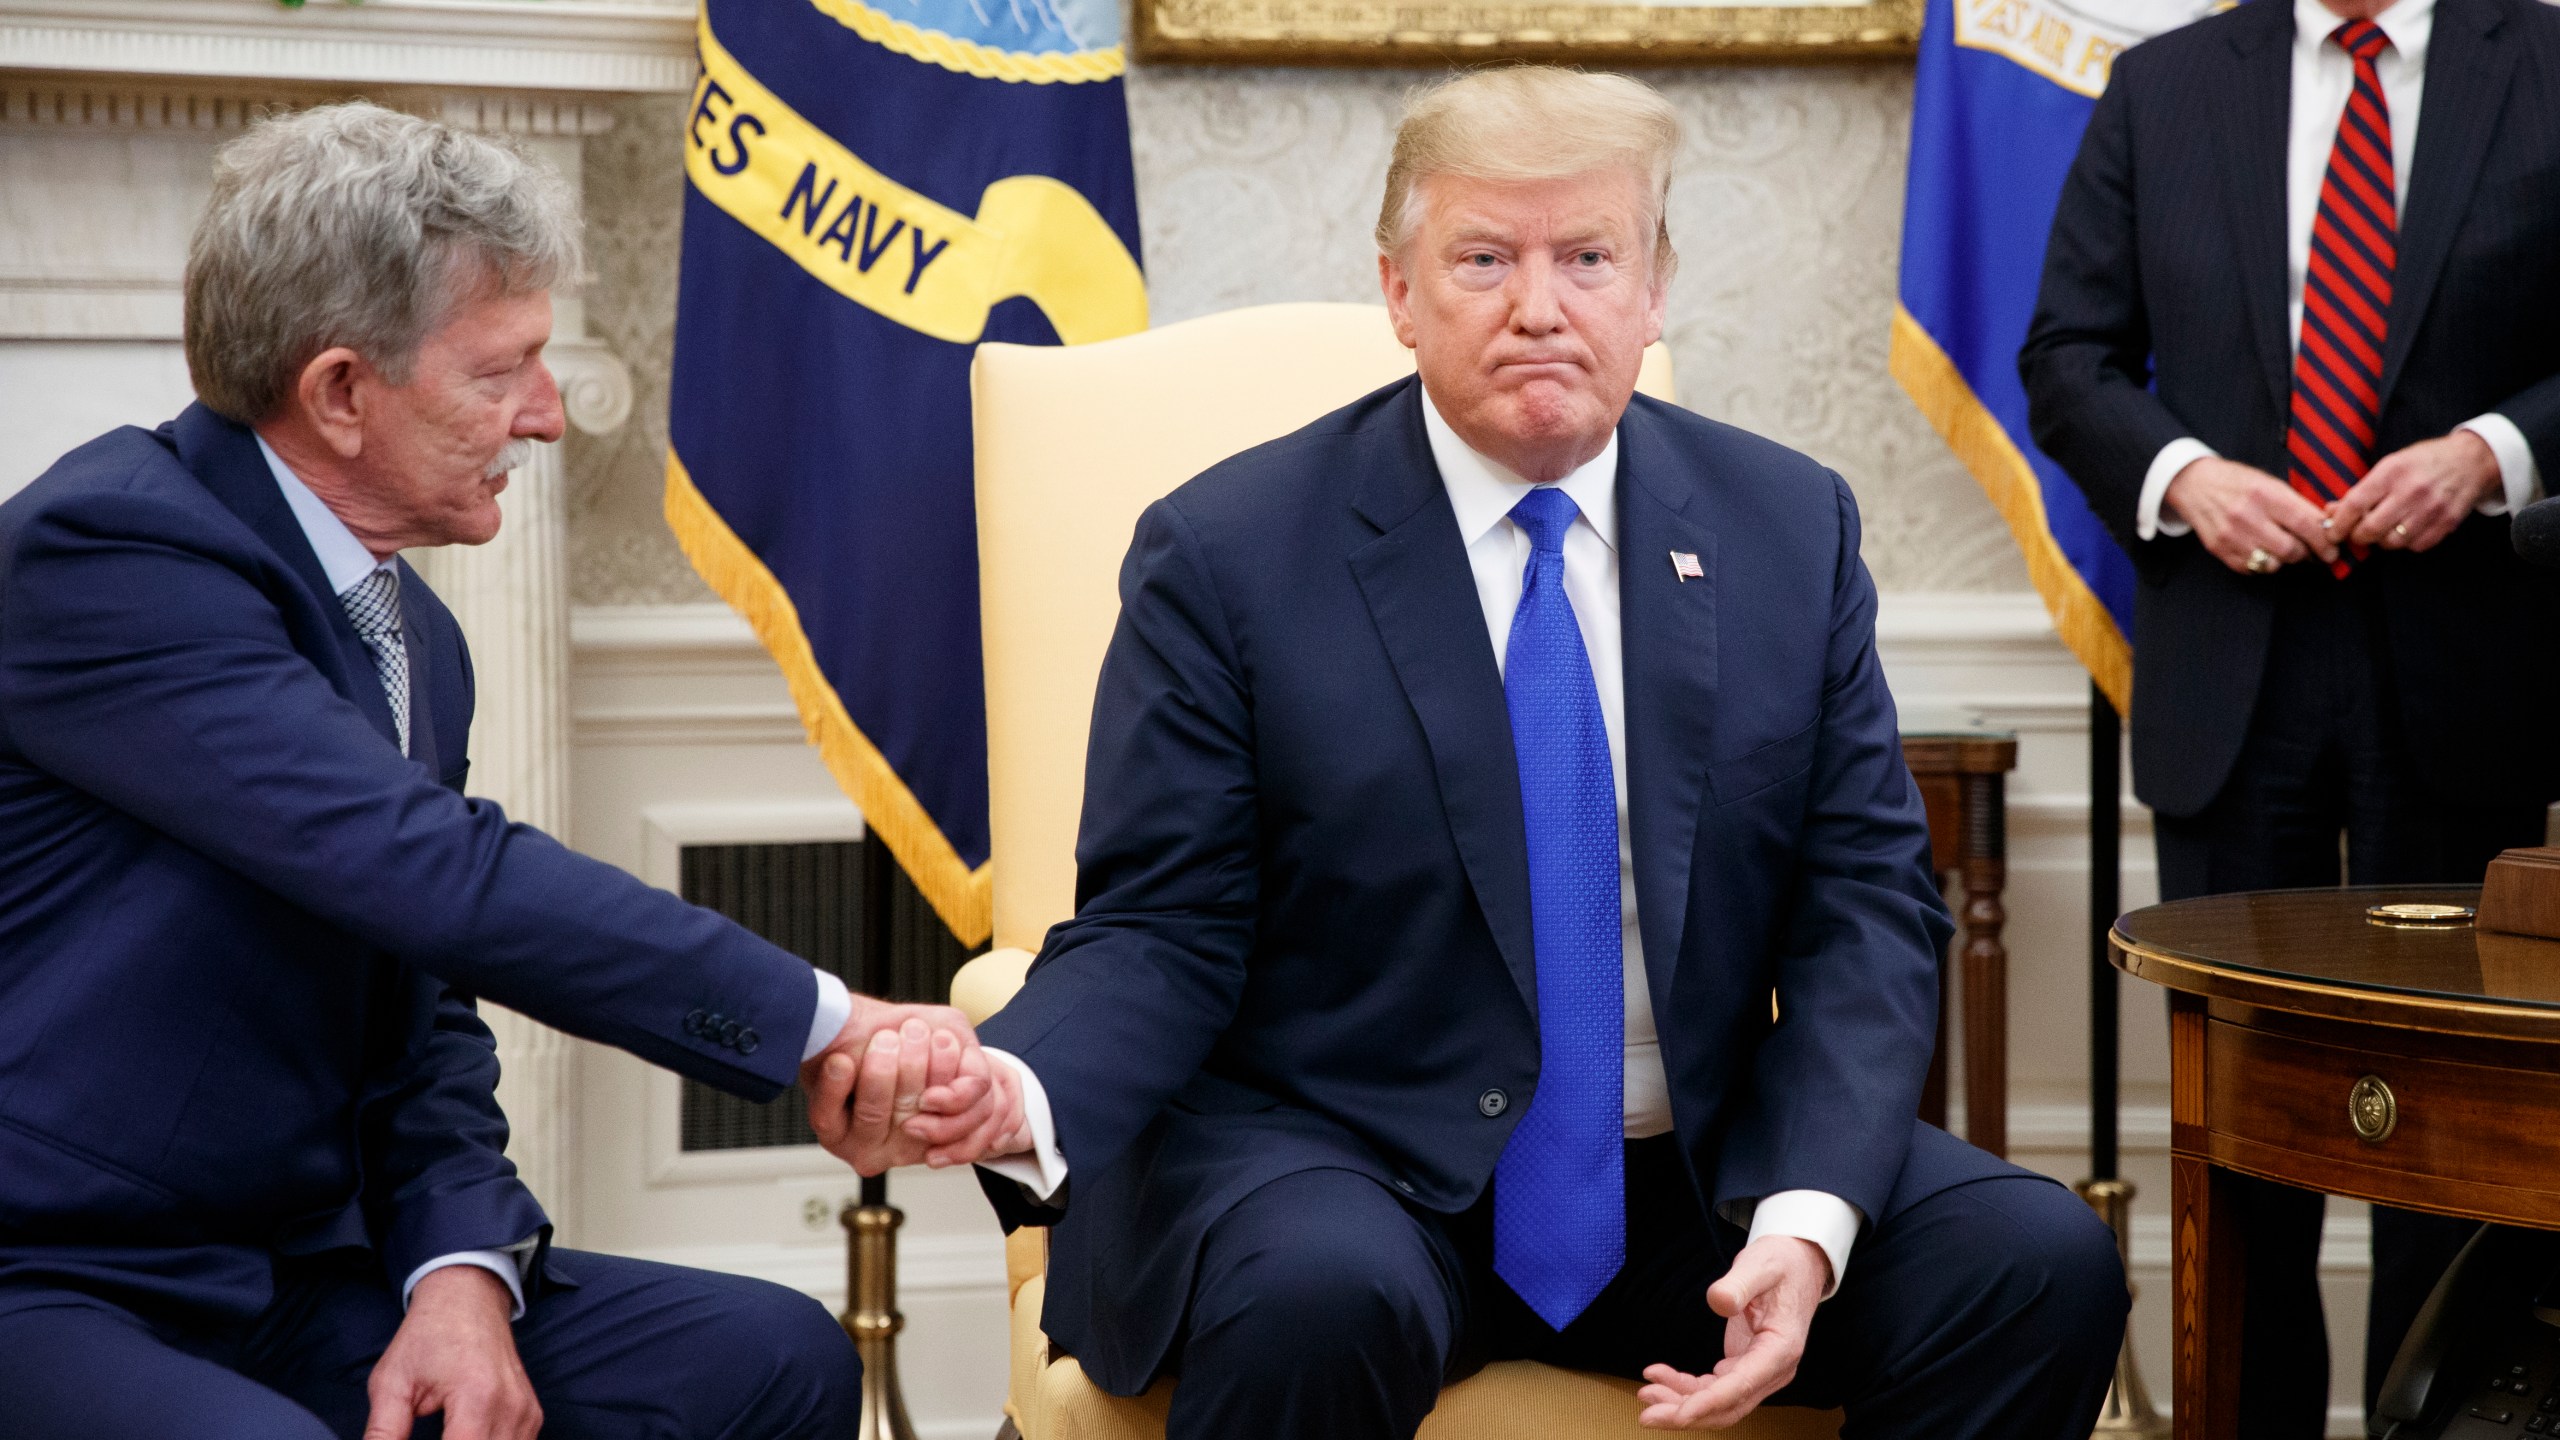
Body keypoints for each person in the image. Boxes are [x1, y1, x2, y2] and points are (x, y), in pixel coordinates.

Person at [965, 67, 2126, 1440]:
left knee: (2039, 1266)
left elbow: (1863, 911)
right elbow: (1162, 925)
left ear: (1653, 287)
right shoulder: (1228, 554)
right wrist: (1017, 1088)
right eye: (1482, 259)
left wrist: (1808, 1222)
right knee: (1321, 1295)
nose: (1539, 306)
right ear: (1399, 292)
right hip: (1347, 1164)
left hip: (1685, 1182)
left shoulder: (1784, 528)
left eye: (1587, 258)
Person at [0, 103, 1023, 1440]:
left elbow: (421, 1011)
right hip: (63, 1275)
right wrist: (826, 1021)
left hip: (303, 1277)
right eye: (505, 369)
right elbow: (436, 874)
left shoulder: (416, 634)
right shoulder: (109, 559)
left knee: (769, 1361)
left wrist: (459, 1271)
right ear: (342, 392)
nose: (547, 417)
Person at [2020, 0, 2560, 1428]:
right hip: (2229, 673)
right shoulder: (2166, 84)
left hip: (2467, 670)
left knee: (2452, 1139)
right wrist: (2187, 475)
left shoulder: (2549, 60)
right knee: (2245, 1130)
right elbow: (2066, 360)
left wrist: (2494, 453)